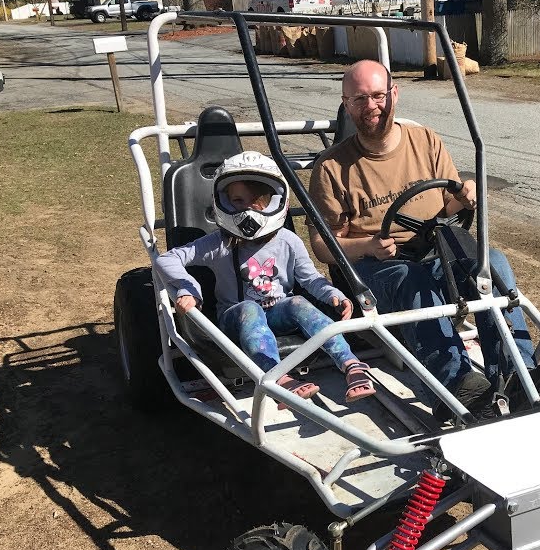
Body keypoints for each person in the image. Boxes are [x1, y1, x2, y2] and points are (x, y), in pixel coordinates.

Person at [306, 59, 540, 421]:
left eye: (377, 95)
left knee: (491, 262)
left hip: (436, 247)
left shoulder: (425, 141)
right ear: (346, 103)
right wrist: (367, 245)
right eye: (358, 99)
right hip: (376, 267)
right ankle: (456, 384)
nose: (370, 106)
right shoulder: (331, 168)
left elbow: (446, 202)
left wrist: (465, 196)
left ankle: (519, 373)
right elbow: (324, 245)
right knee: (413, 281)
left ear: (394, 94)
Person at [155, 151, 376, 408]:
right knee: (250, 308)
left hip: (277, 313)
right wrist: (188, 287)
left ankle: (350, 364)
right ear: (222, 201)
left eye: (256, 200)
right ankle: (277, 378)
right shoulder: (219, 243)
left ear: (273, 201)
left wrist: (332, 294)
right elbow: (166, 259)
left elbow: (310, 278)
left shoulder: (288, 241)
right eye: (237, 200)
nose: (247, 209)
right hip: (234, 320)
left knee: (298, 303)